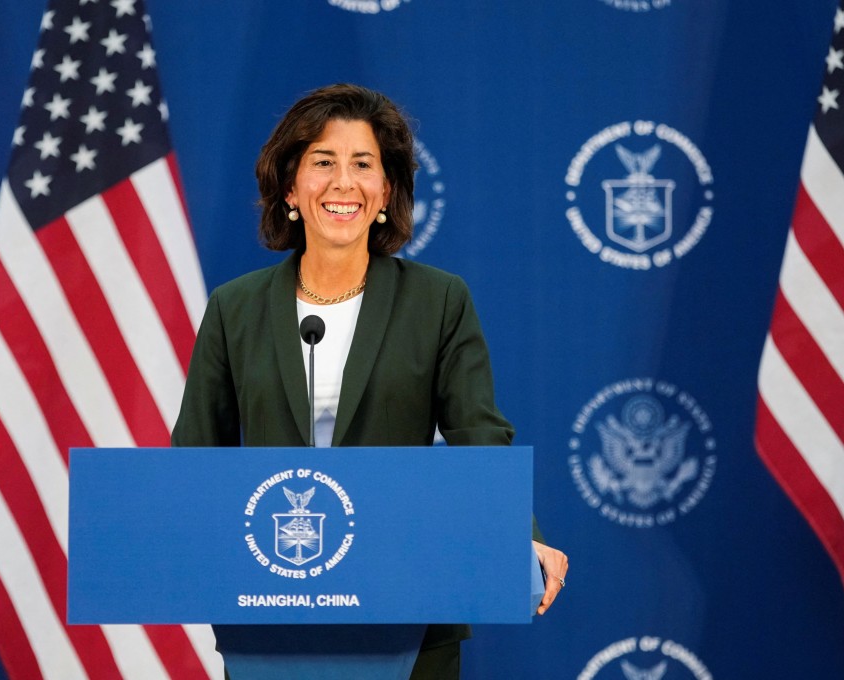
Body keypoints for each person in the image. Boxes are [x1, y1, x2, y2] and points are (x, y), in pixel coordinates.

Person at [171, 83, 568, 679]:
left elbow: (478, 436)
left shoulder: (438, 300)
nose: (343, 182)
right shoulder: (235, 308)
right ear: (289, 189)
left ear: (386, 191)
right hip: (272, 610)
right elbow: (196, 455)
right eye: (323, 163)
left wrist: (523, 535)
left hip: (409, 607)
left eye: (363, 165)